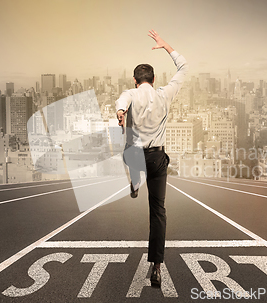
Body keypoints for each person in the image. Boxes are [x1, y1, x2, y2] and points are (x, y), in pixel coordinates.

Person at [116, 29, 188, 287]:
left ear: (135, 80)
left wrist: (121, 112)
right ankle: (157, 267)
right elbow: (183, 67)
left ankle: (135, 183)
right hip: (157, 159)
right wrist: (166, 45)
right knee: (158, 211)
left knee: (127, 149)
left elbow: (122, 99)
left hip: (135, 157)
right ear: (154, 79)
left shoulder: (131, 94)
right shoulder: (164, 94)